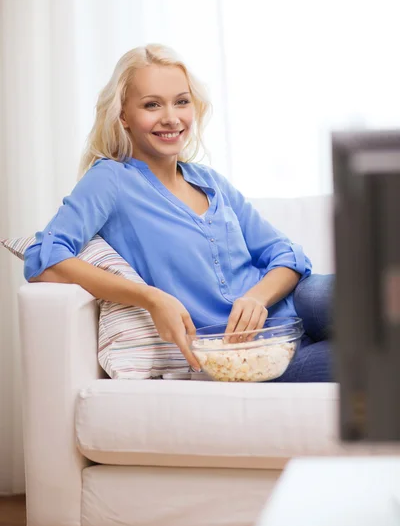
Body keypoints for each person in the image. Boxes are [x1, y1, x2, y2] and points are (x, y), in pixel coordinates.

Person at [24, 44, 333, 382]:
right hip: (256, 354)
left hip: (301, 302)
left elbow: (288, 256)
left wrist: (257, 298)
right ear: (123, 115)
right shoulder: (110, 180)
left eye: (181, 101)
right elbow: (44, 257)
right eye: (152, 104)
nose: (171, 117)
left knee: (354, 296)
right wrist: (150, 298)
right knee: (378, 361)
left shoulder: (209, 181)